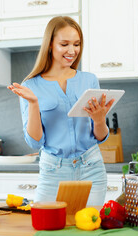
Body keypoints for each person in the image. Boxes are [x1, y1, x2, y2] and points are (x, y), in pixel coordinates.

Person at [7, 16, 115, 205]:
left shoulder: (89, 80)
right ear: (50, 44)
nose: (72, 51)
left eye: (77, 44)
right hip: (53, 172)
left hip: (91, 168)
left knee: (89, 228)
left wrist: (99, 120)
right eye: (64, 44)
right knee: (48, 230)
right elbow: (35, 141)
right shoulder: (30, 86)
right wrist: (33, 103)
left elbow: (100, 137)